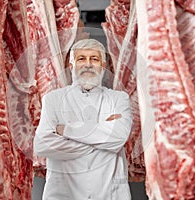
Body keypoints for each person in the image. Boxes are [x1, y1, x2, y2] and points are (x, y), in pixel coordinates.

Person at [34, 38, 132, 200]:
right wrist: (100, 137)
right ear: (72, 66)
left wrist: (65, 130)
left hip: (109, 193)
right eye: (81, 59)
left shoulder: (118, 99)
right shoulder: (53, 99)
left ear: (103, 66)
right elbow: (42, 146)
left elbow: (118, 138)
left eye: (94, 59)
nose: (88, 64)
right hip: (62, 193)